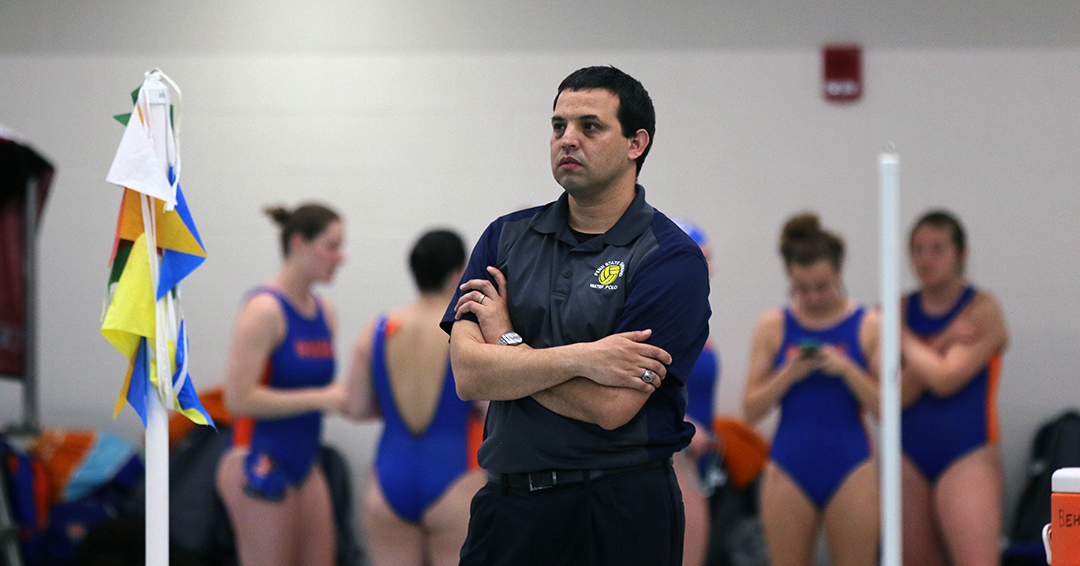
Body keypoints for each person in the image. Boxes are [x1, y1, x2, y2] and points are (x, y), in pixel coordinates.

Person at [441, 65, 711, 566]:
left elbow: (611, 408)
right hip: (508, 506)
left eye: (589, 126)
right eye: (558, 126)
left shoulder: (669, 259)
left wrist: (507, 346)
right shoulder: (505, 238)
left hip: (615, 509)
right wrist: (583, 357)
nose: (567, 140)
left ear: (636, 143)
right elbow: (468, 374)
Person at [741, 212, 880, 566]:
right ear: (790, 278)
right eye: (803, 289)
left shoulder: (867, 325)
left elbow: (888, 409)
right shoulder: (773, 325)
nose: (814, 297)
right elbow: (751, 410)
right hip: (790, 463)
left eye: (823, 286)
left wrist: (847, 369)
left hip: (850, 464)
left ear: (839, 273)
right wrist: (788, 373)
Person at [344, 228, 486, 566]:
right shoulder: (469, 332)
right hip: (454, 475)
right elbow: (488, 405)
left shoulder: (376, 328)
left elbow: (356, 406)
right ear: (457, 273)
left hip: (388, 477)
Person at [215, 203, 347, 566]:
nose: (341, 257)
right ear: (299, 242)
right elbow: (237, 399)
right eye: (332, 246)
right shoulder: (264, 310)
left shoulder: (325, 312)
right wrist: (323, 397)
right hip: (258, 456)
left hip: (305, 458)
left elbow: (321, 396)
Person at [899, 210, 1008, 566]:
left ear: (961, 253)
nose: (925, 259)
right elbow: (894, 397)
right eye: (917, 249)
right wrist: (944, 338)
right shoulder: (902, 308)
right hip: (908, 457)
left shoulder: (981, 309)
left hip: (967, 453)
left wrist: (901, 339)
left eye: (937, 249)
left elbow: (946, 379)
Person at [671, 218, 721, 566]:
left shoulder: (694, 315)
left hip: (698, 461)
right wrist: (682, 422)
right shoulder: (656, 316)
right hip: (671, 455)